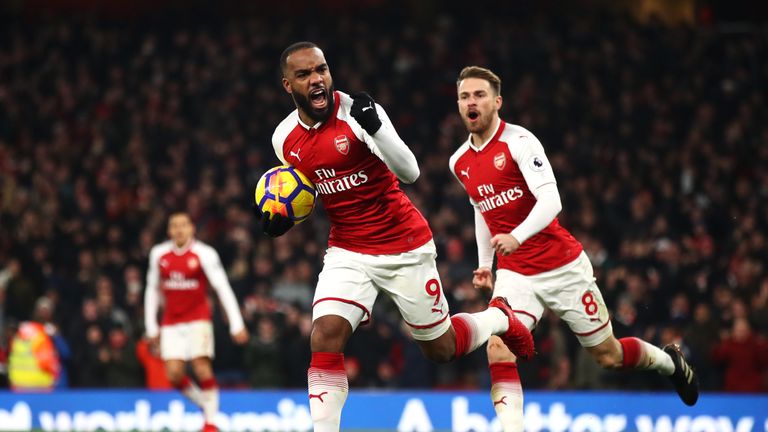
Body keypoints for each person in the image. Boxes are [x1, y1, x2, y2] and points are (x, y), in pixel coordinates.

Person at [256, 41, 534, 432]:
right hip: (347, 248)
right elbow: (309, 186)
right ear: (288, 86)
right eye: (305, 75)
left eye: (322, 69)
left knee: (441, 349)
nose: (317, 79)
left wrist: (376, 128)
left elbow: (410, 172)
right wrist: (286, 220)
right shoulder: (283, 137)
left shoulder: (358, 113)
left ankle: (498, 319)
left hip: (403, 245)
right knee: (324, 334)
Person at [448, 66, 700, 431]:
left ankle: (670, 364)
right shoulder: (460, 162)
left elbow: (552, 200)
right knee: (498, 345)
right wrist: (486, 263)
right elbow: (480, 209)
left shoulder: (520, 142)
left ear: (497, 102)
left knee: (608, 355)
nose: (472, 102)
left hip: (561, 267)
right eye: (465, 96)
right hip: (516, 273)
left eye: (480, 95)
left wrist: (517, 236)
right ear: (458, 104)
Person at [144, 212, 249, 432]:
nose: (179, 229)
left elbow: (222, 287)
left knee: (201, 366)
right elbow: (152, 290)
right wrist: (151, 326)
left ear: (192, 228)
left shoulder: (205, 254)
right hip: (171, 321)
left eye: (183, 225)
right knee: (173, 374)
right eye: (174, 226)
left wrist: (236, 324)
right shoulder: (159, 254)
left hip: (198, 319)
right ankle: (206, 404)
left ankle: (210, 423)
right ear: (169, 231)